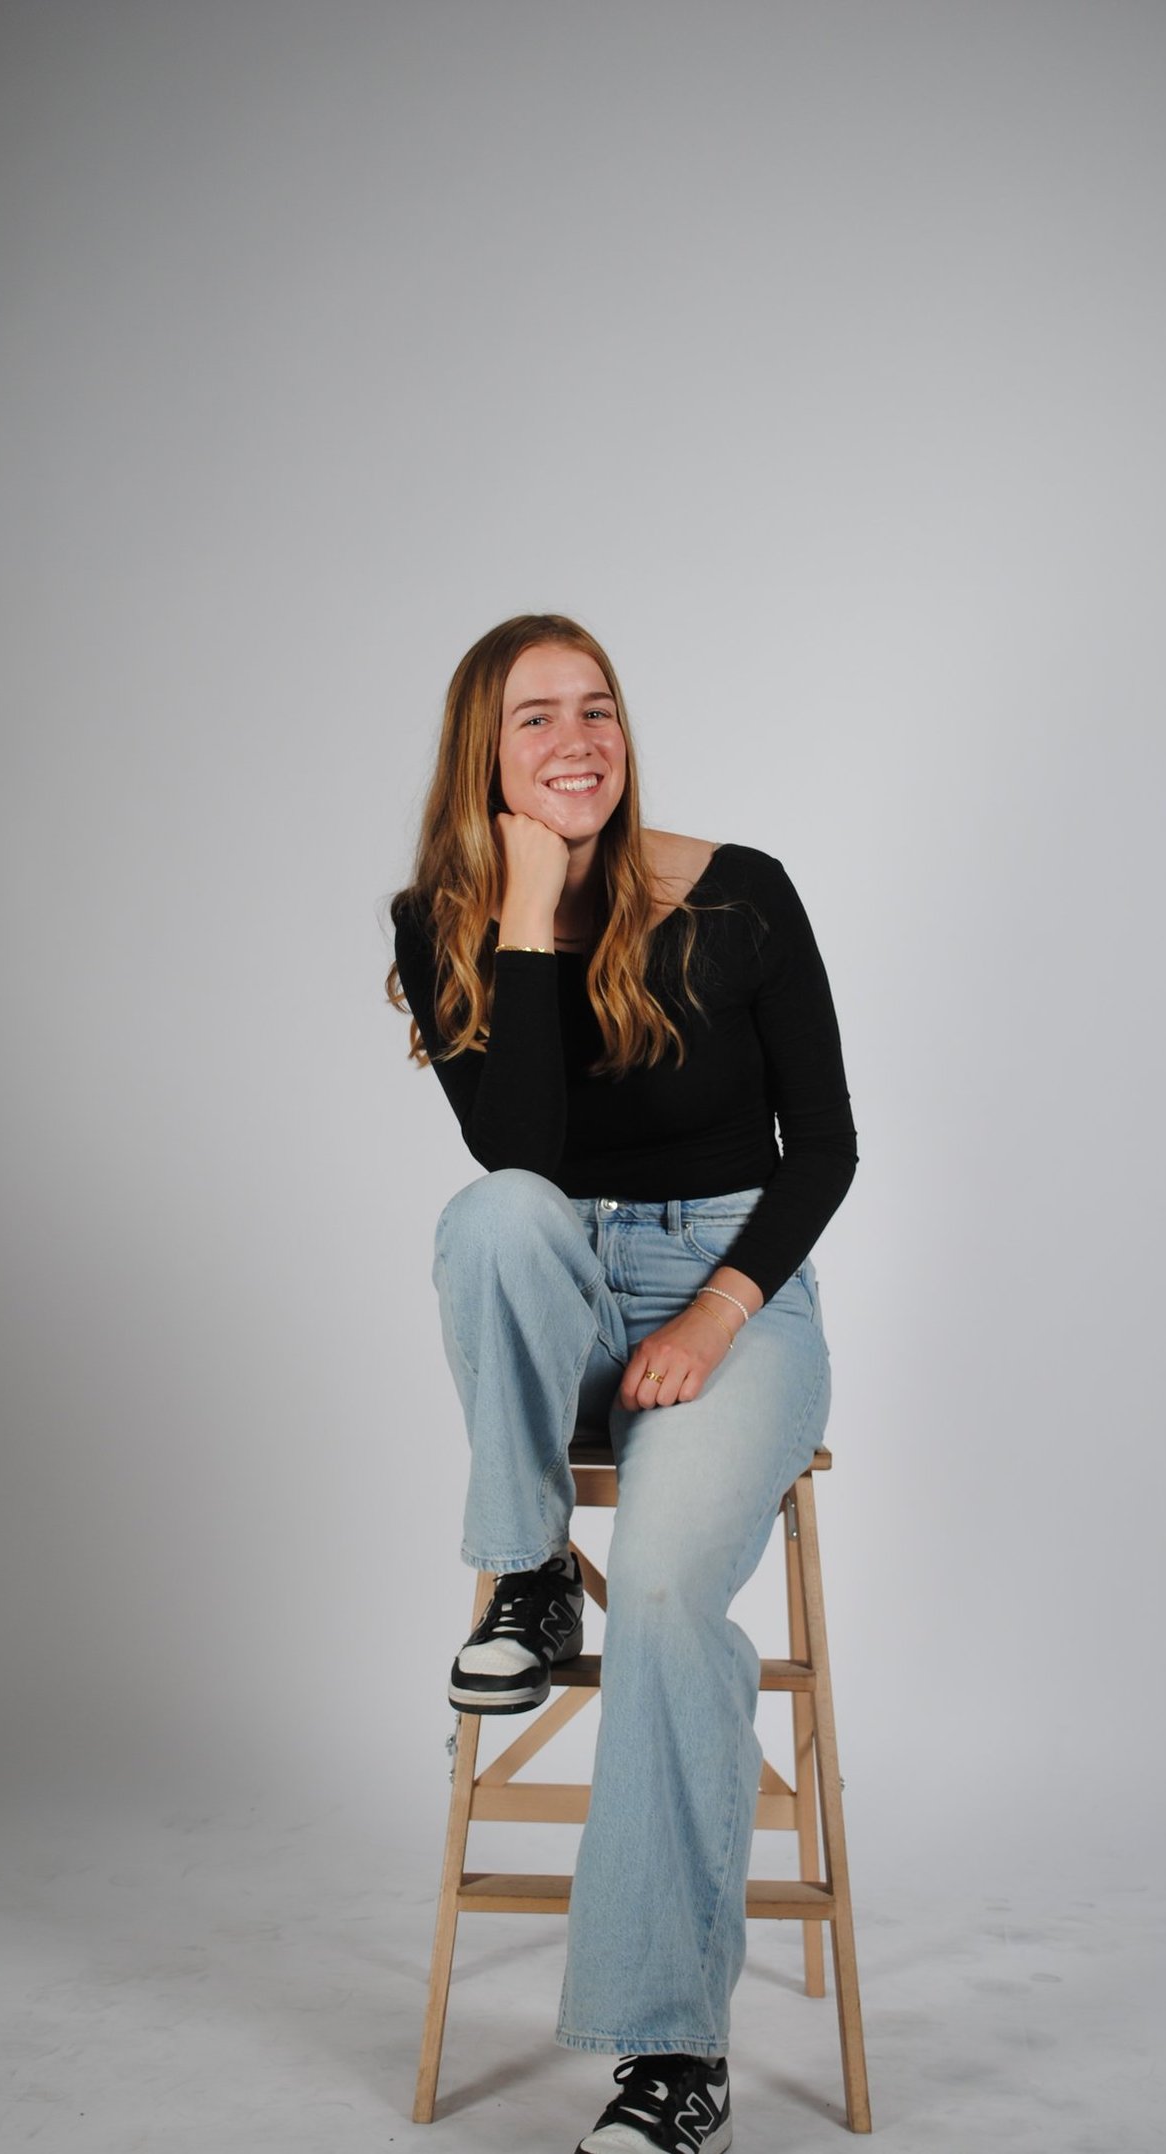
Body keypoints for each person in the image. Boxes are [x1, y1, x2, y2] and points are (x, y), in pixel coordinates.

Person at [387, 614, 858, 2154]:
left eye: (596, 707)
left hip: (740, 1289)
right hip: (564, 1298)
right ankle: (530, 1569)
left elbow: (826, 1146)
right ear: (484, 752)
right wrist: (529, 912)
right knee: (494, 1216)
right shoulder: (445, 919)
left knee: (658, 1594)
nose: (577, 738)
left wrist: (720, 1309)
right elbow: (521, 1158)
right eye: (535, 717)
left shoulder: (740, 892)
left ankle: (672, 2054)